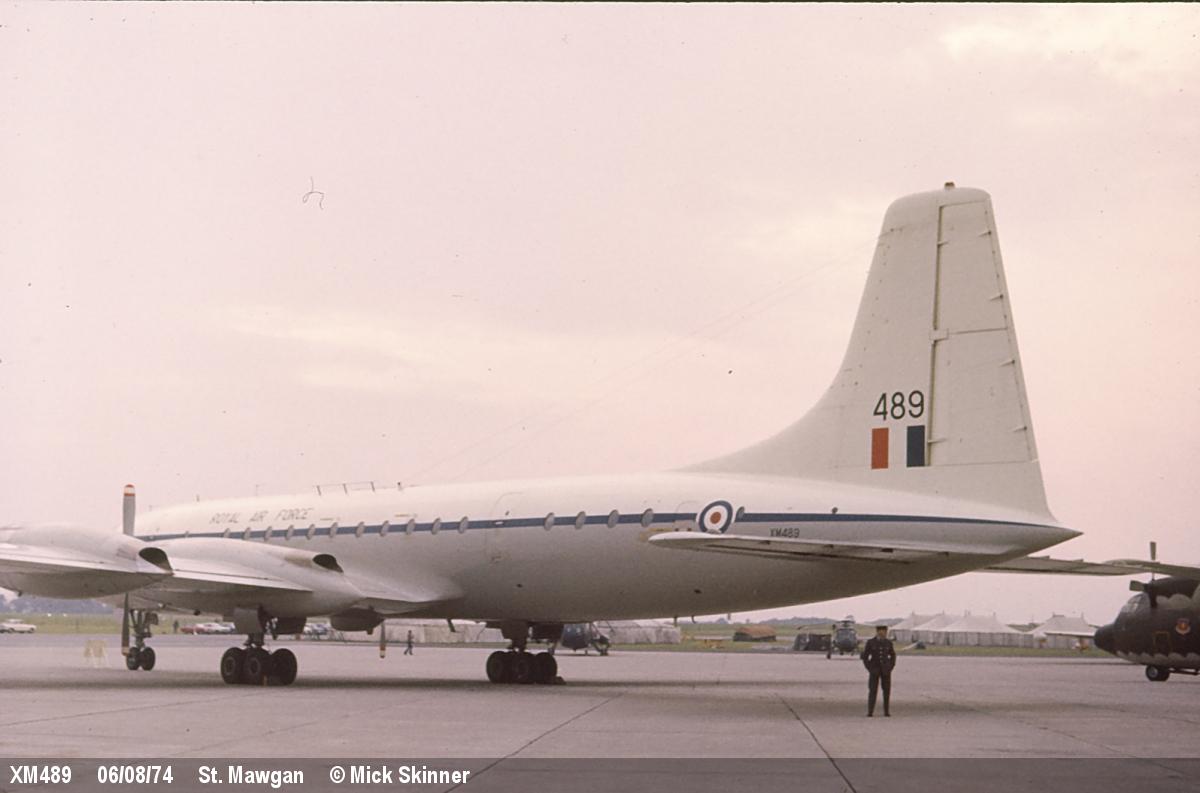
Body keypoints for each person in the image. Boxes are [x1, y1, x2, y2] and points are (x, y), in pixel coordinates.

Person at [860, 624, 896, 717]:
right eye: (881, 631)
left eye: (884, 631)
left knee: (886, 691)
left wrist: (890, 666)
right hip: (874, 670)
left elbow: (893, 655)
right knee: (873, 690)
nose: (882, 633)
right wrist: (869, 668)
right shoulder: (871, 642)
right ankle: (870, 711)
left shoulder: (888, 643)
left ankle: (886, 711)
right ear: (877, 632)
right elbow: (865, 656)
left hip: (885, 670)